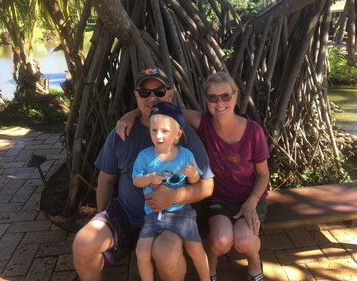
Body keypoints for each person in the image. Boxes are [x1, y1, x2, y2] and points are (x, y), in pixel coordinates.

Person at [117, 71, 270, 281]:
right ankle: (211, 270)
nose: (220, 103)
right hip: (219, 201)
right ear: (206, 101)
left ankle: (254, 261)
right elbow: (162, 112)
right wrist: (132, 114)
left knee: (245, 240)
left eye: (226, 96)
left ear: (235, 96)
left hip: (249, 199)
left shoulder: (254, 131)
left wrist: (252, 201)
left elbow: (263, 174)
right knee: (221, 240)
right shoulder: (201, 121)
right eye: (213, 98)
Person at [72, 68, 214, 281]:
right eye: (145, 93)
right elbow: (106, 180)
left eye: (159, 91)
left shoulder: (184, 137)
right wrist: (107, 220)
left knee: (167, 254)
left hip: (169, 216)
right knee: (84, 243)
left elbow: (206, 185)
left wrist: (175, 197)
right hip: (125, 214)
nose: (152, 98)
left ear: (170, 94)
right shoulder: (122, 132)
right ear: (136, 95)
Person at [133, 101, 209, 281]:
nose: (158, 135)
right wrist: (149, 178)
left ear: (177, 134)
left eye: (165, 131)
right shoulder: (144, 156)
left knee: (195, 248)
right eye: (154, 130)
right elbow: (136, 180)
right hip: (153, 214)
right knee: (142, 252)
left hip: (181, 212)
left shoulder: (186, 155)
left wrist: (192, 175)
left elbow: (196, 180)